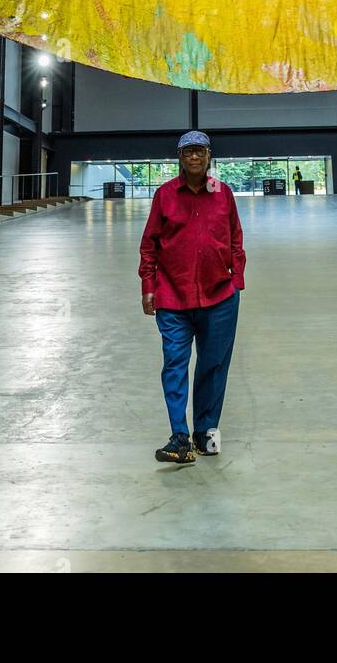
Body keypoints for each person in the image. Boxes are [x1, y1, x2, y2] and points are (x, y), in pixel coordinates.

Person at [139, 130, 246, 466]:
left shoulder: (223, 194)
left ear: (209, 156)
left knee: (213, 366)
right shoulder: (166, 195)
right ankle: (179, 437)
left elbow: (236, 240)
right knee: (175, 364)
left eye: (200, 151)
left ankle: (205, 433)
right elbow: (149, 245)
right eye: (188, 152)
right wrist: (148, 286)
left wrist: (236, 279)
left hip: (220, 297)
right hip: (173, 297)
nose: (194, 157)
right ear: (180, 158)